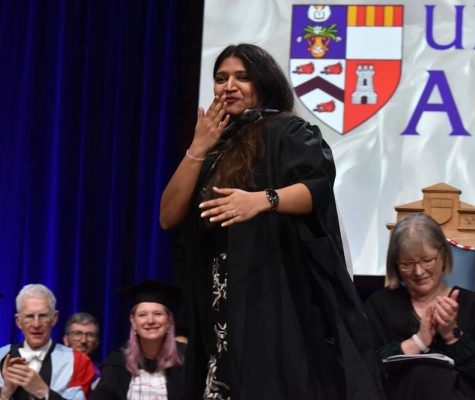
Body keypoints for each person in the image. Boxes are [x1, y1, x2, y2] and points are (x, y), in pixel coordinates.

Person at [160, 43, 384, 399]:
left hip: (273, 288)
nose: (229, 86)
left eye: (242, 77)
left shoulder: (288, 131)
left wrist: (263, 200)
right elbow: (168, 216)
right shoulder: (214, 146)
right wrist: (198, 148)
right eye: (221, 78)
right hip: (218, 293)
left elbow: (316, 188)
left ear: (263, 82)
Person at [364, 212, 475, 400]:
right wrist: (417, 342)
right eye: (407, 264)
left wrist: (452, 334)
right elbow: (362, 371)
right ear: (396, 264)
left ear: (443, 255)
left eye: (426, 261)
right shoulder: (379, 306)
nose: (418, 272)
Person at [0, 284, 94, 400]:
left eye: (43, 316)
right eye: (29, 316)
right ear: (18, 321)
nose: (36, 324)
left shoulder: (77, 361)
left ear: (54, 318)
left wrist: (42, 391)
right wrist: (5, 393)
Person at [90, 279, 185, 399]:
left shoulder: (187, 359)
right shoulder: (117, 361)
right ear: (133, 321)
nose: (150, 321)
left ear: (169, 320)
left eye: (157, 314)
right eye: (142, 315)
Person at [63, 312, 101, 384]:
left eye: (90, 335)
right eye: (77, 334)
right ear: (66, 340)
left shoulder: (103, 375)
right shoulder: (54, 369)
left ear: (96, 342)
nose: (83, 341)